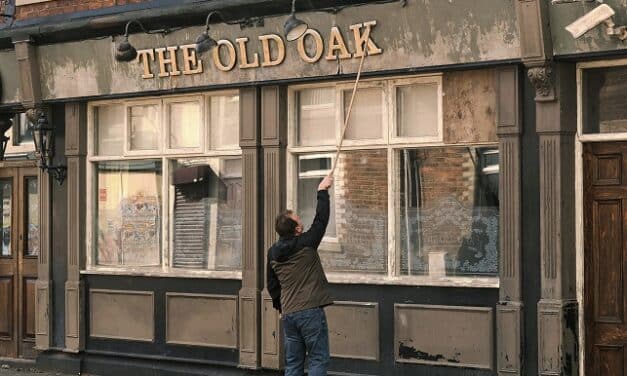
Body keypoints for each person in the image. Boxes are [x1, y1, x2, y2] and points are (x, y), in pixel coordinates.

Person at [267, 175, 334, 376]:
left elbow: (272, 285)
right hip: (310, 312)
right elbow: (321, 220)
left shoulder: (272, 252)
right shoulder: (307, 242)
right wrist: (322, 191)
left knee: (293, 363)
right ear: (296, 229)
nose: (301, 220)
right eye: (298, 219)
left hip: (289, 314)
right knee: (318, 359)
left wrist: (280, 306)